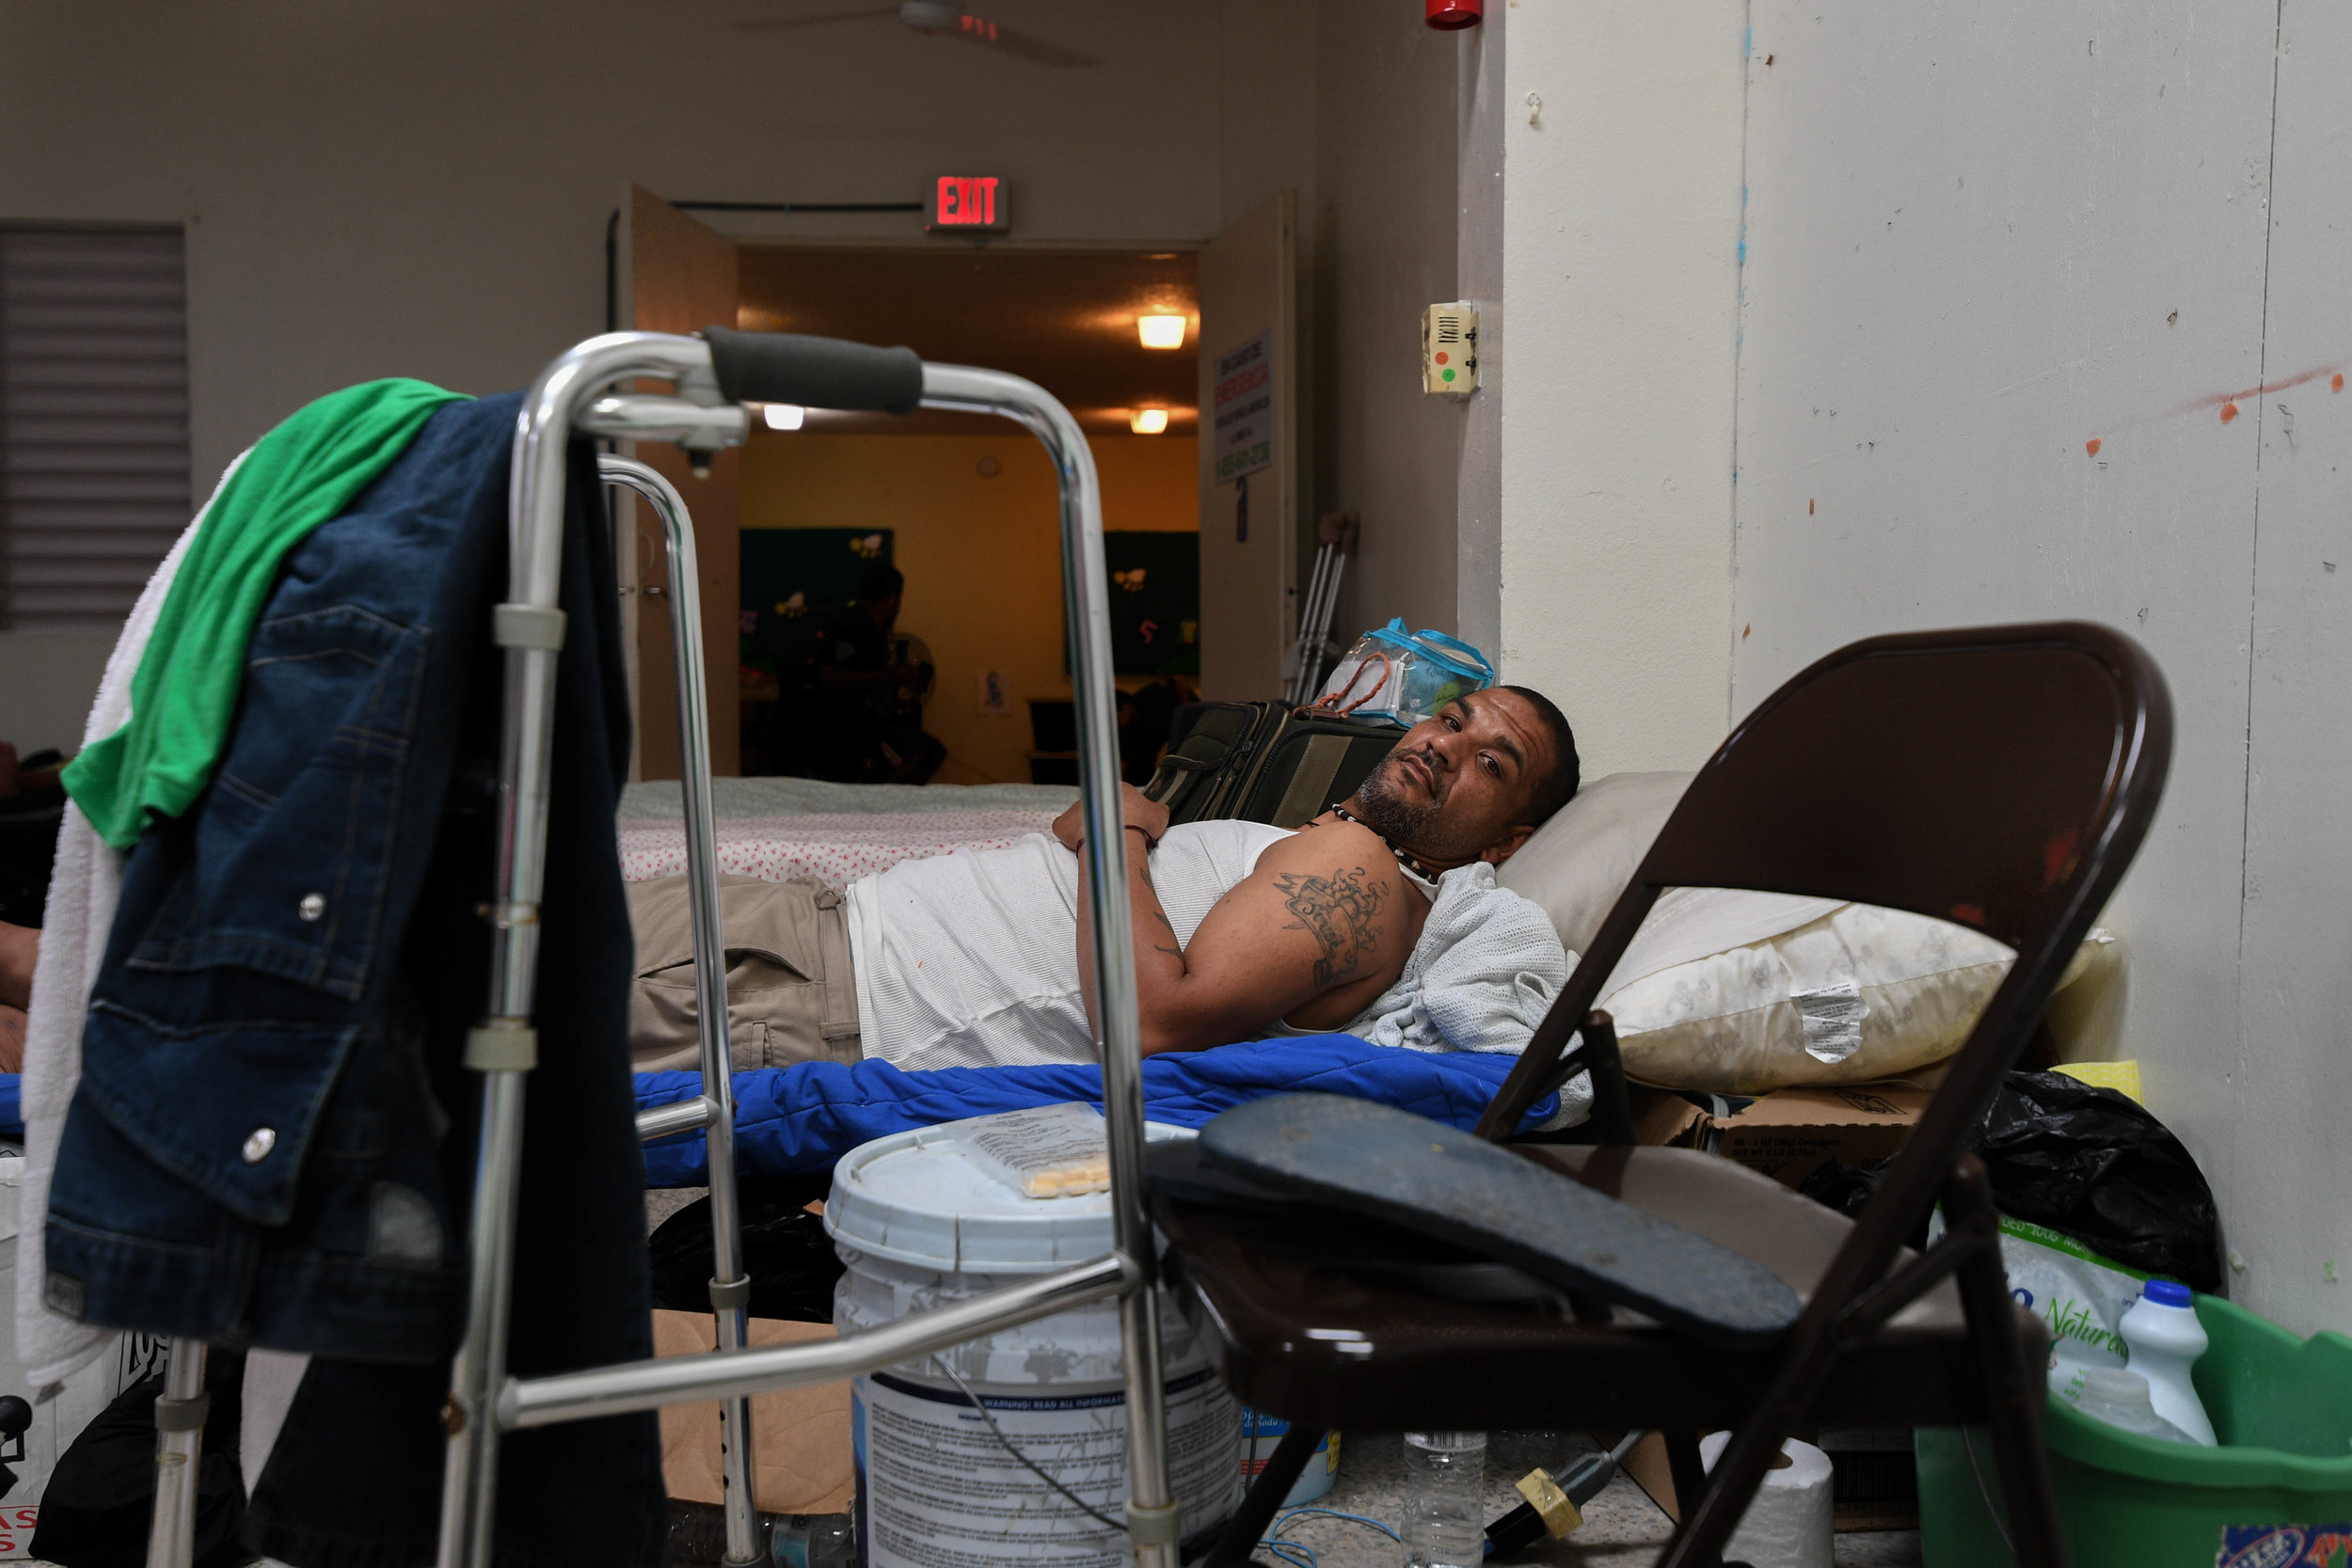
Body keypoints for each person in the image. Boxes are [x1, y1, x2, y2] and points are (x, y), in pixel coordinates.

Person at [628, 685, 1581, 1074]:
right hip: (809, 940)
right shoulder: (1347, 839)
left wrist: (1116, 833)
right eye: (1452, 720)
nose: (1446, 747)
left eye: (1492, 765)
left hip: (805, 989)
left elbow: (1153, 1020)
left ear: (1506, 840)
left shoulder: (1372, 878)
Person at [806, 562, 946, 784]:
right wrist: (892, 676)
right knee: (924, 754)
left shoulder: (879, 631)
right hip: (848, 727)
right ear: (892, 598)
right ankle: (876, 800)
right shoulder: (852, 625)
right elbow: (829, 676)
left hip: (871, 723)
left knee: (930, 751)